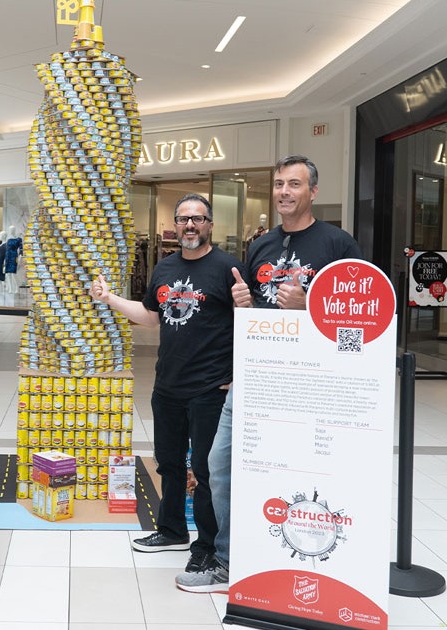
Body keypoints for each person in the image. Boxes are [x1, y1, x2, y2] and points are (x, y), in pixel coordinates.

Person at [179, 155, 364, 594]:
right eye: (279, 183)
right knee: (218, 464)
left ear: (313, 192)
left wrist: (310, 307)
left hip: (309, 386)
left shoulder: (339, 245)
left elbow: (358, 329)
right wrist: (245, 309)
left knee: (293, 474)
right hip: (254, 378)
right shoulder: (261, 246)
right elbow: (258, 315)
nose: (284, 192)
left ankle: (299, 562)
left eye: (294, 184)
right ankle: (227, 559)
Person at [90, 193, 242, 579]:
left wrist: (239, 375)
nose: (190, 225)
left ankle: (208, 547)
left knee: (207, 473)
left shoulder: (227, 267)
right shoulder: (165, 266)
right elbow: (151, 316)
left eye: (198, 218)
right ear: (175, 225)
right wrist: (109, 298)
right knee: (170, 465)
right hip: (168, 386)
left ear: (210, 224)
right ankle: (172, 530)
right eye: (183, 219)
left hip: (211, 389)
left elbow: (248, 323)